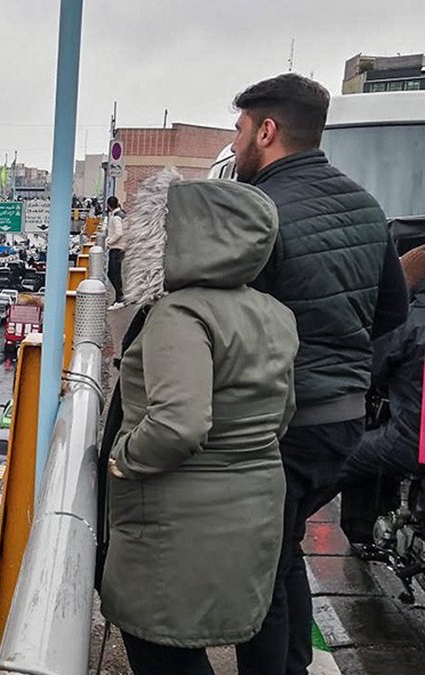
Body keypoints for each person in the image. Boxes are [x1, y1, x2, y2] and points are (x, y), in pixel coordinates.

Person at [229, 73, 409, 675]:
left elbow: (233, 323)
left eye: (241, 130)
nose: (235, 144)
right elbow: (391, 312)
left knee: (258, 575)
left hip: (285, 425)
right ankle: (297, 666)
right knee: (283, 554)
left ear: (268, 130)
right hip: (344, 425)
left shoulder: (260, 211)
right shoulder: (365, 204)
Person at [101, 168, 298, 674]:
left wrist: (124, 460)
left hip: (174, 526)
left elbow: (178, 425)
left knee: (162, 647)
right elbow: (283, 414)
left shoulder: (180, 315)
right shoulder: (274, 312)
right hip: (252, 509)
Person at [338, 244, 425, 528]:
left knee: (335, 458)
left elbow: (370, 369)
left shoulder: (410, 321)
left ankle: (289, 538)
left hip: (412, 442)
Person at [105, 195, 126, 305]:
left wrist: (109, 241)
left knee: (112, 273)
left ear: (108, 206)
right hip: (121, 247)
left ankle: (120, 296)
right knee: (116, 273)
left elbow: (119, 233)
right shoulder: (122, 214)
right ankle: (119, 296)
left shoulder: (116, 217)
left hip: (116, 248)